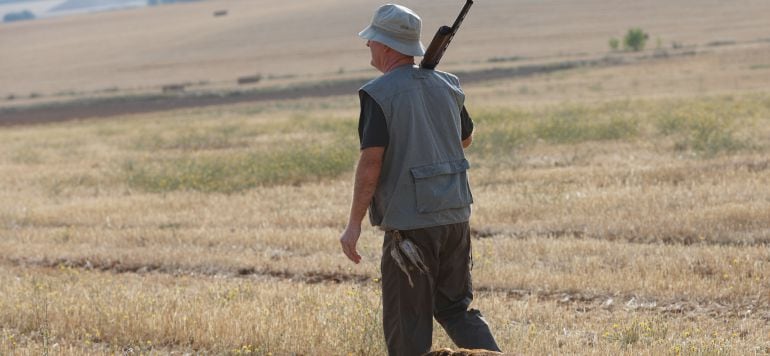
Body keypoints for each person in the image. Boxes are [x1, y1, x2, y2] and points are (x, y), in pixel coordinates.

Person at [338, 4, 501, 356]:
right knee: (457, 311)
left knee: (407, 328)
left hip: (411, 227)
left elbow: (371, 163)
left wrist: (353, 224)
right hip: (455, 215)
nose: (368, 47)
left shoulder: (378, 93)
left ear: (386, 46)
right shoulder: (448, 84)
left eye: (372, 40)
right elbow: (465, 139)